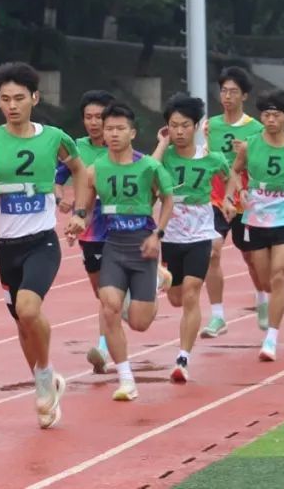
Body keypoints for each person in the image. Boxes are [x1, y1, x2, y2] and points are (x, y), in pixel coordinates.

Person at [0, 62, 87, 429]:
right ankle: (45, 381)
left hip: (42, 242)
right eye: (5, 99)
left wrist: (80, 211)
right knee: (23, 323)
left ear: (35, 98)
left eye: (19, 98)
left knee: (28, 308)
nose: (12, 105)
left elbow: (81, 171)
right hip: (7, 246)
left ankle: (45, 373)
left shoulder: (55, 138)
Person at [74, 102, 173, 401]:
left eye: (120, 129)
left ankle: (157, 281)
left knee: (140, 323)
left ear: (132, 133)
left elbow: (168, 200)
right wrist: (77, 222)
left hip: (143, 246)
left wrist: (157, 235)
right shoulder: (95, 170)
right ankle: (126, 379)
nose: (113, 134)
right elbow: (85, 208)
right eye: (109, 129)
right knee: (109, 308)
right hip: (114, 246)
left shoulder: (150, 167)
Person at [228, 90, 284, 361]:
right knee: (264, 281)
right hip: (255, 217)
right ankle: (266, 301)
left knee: (278, 275)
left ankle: (271, 339)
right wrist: (240, 190)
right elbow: (234, 170)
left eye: (276, 115)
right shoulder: (250, 145)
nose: (271, 120)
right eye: (266, 115)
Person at [153, 93, 231, 381]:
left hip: (200, 234)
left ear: (196, 126)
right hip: (170, 235)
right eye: (173, 126)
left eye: (185, 125)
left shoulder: (213, 158)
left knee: (191, 293)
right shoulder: (165, 157)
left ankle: (182, 358)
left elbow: (230, 176)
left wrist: (230, 198)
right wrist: (162, 144)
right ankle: (164, 280)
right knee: (175, 298)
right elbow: (148, 171)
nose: (179, 132)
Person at [54, 89, 120, 374]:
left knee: (110, 292)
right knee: (102, 292)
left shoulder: (120, 145)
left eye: (99, 117)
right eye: (88, 117)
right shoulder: (76, 148)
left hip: (120, 223)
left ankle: (103, 349)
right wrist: (60, 199)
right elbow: (57, 179)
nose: (93, 123)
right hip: (90, 227)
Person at [200, 66, 263, 339]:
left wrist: (247, 156)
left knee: (252, 257)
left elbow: (263, 167)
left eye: (233, 92)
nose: (227, 96)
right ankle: (218, 316)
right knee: (212, 252)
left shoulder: (257, 129)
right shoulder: (210, 125)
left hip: (245, 200)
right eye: (224, 91)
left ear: (244, 96)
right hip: (216, 198)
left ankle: (262, 297)